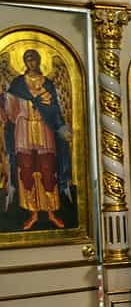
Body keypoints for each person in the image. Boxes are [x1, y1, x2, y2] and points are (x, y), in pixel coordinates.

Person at [1, 49, 72, 230]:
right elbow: (9, 111)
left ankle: (50, 212)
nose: (31, 62)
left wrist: (61, 127)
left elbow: (55, 110)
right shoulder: (17, 84)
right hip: (23, 129)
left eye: (34, 59)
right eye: (28, 59)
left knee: (47, 169)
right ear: (24, 62)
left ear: (39, 61)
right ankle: (33, 213)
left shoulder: (47, 83)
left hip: (44, 128)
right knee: (26, 169)